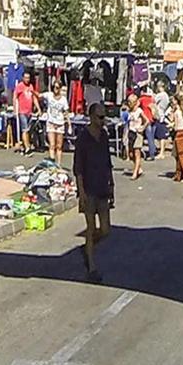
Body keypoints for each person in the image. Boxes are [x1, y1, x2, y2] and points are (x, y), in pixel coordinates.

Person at [72, 101, 115, 283]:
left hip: (102, 187)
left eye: (104, 117)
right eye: (100, 117)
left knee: (105, 230)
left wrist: (112, 184)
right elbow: (78, 167)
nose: (102, 120)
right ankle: (91, 266)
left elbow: (108, 161)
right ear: (91, 117)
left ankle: (87, 248)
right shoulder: (83, 138)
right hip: (88, 188)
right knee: (90, 228)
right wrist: (80, 191)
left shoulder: (104, 135)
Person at [12, 74, 40, 154]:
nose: (27, 79)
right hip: (22, 111)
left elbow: (34, 98)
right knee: (25, 129)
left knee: (28, 130)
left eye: (28, 78)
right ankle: (27, 148)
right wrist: (15, 109)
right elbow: (14, 97)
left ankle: (26, 145)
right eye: (26, 78)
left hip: (29, 111)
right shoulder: (19, 86)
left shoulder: (30, 86)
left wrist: (38, 108)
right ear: (23, 78)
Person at [168, 89, 183, 183]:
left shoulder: (177, 111)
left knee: (181, 155)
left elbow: (177, 125)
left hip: (179, 133)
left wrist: (171, 125)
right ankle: (179, 174)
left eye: (174, 100)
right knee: (179, 155)